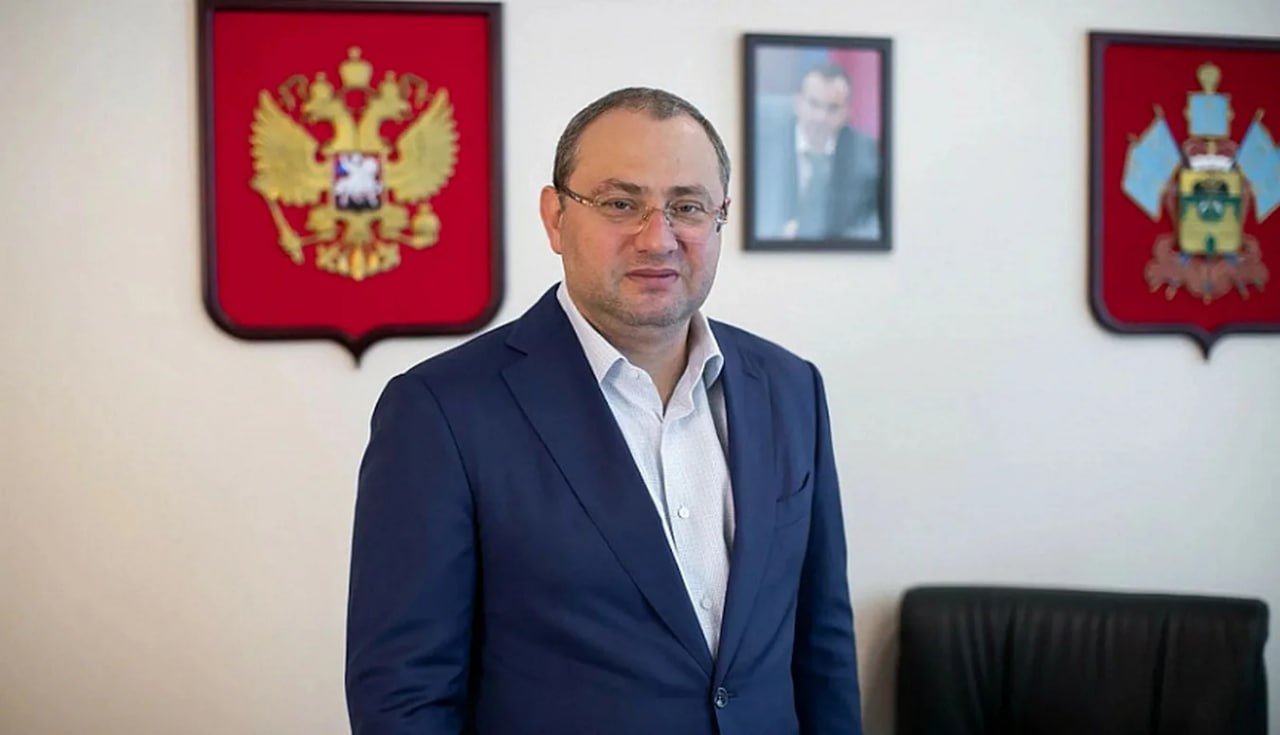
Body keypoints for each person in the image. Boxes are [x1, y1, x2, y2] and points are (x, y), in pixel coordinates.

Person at [345, 86, 863, 735]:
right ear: (555, 218)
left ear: (720, 218)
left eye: (688, 206)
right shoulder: (441, 412)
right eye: (621, 204)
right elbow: (403, 696)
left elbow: (823, 647)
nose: (658, 238)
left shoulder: (790, 389)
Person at [753, 62, 881, 241]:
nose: (821, 117)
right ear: (797, 103)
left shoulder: (866, 153)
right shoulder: (764, 143)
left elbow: (872, 225)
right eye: (813, 104)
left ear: (847, 112)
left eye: (833, 108)